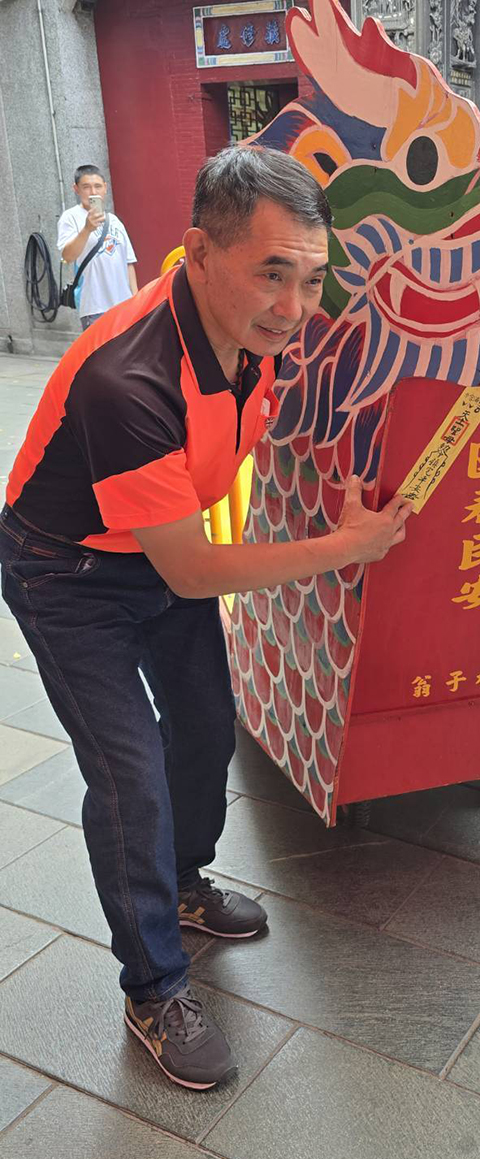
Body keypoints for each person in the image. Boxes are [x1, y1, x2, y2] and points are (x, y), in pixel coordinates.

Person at [0, 146, 412, 1090]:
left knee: (204, 732)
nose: (294, 306)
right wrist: (344, 548)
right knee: (130, 778)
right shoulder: (129, 377)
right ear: (197, 250)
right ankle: (154, 988)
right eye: (271, 273)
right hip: (67, 573)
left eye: (311, 278)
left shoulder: (251, 335)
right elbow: (191, 571)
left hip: (152, 551)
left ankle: (183, 882)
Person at [57, 164, 138, 330]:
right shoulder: (70, 217)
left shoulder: (114, 221)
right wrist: (87, 229)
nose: (93, 192)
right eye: (86, 187)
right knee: (100, 348)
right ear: (76, 189)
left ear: (105, 188)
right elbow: (68, 256)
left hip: (124, 305)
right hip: (94, 307)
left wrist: (136, 299)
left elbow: (128, 263)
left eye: (98, 186)